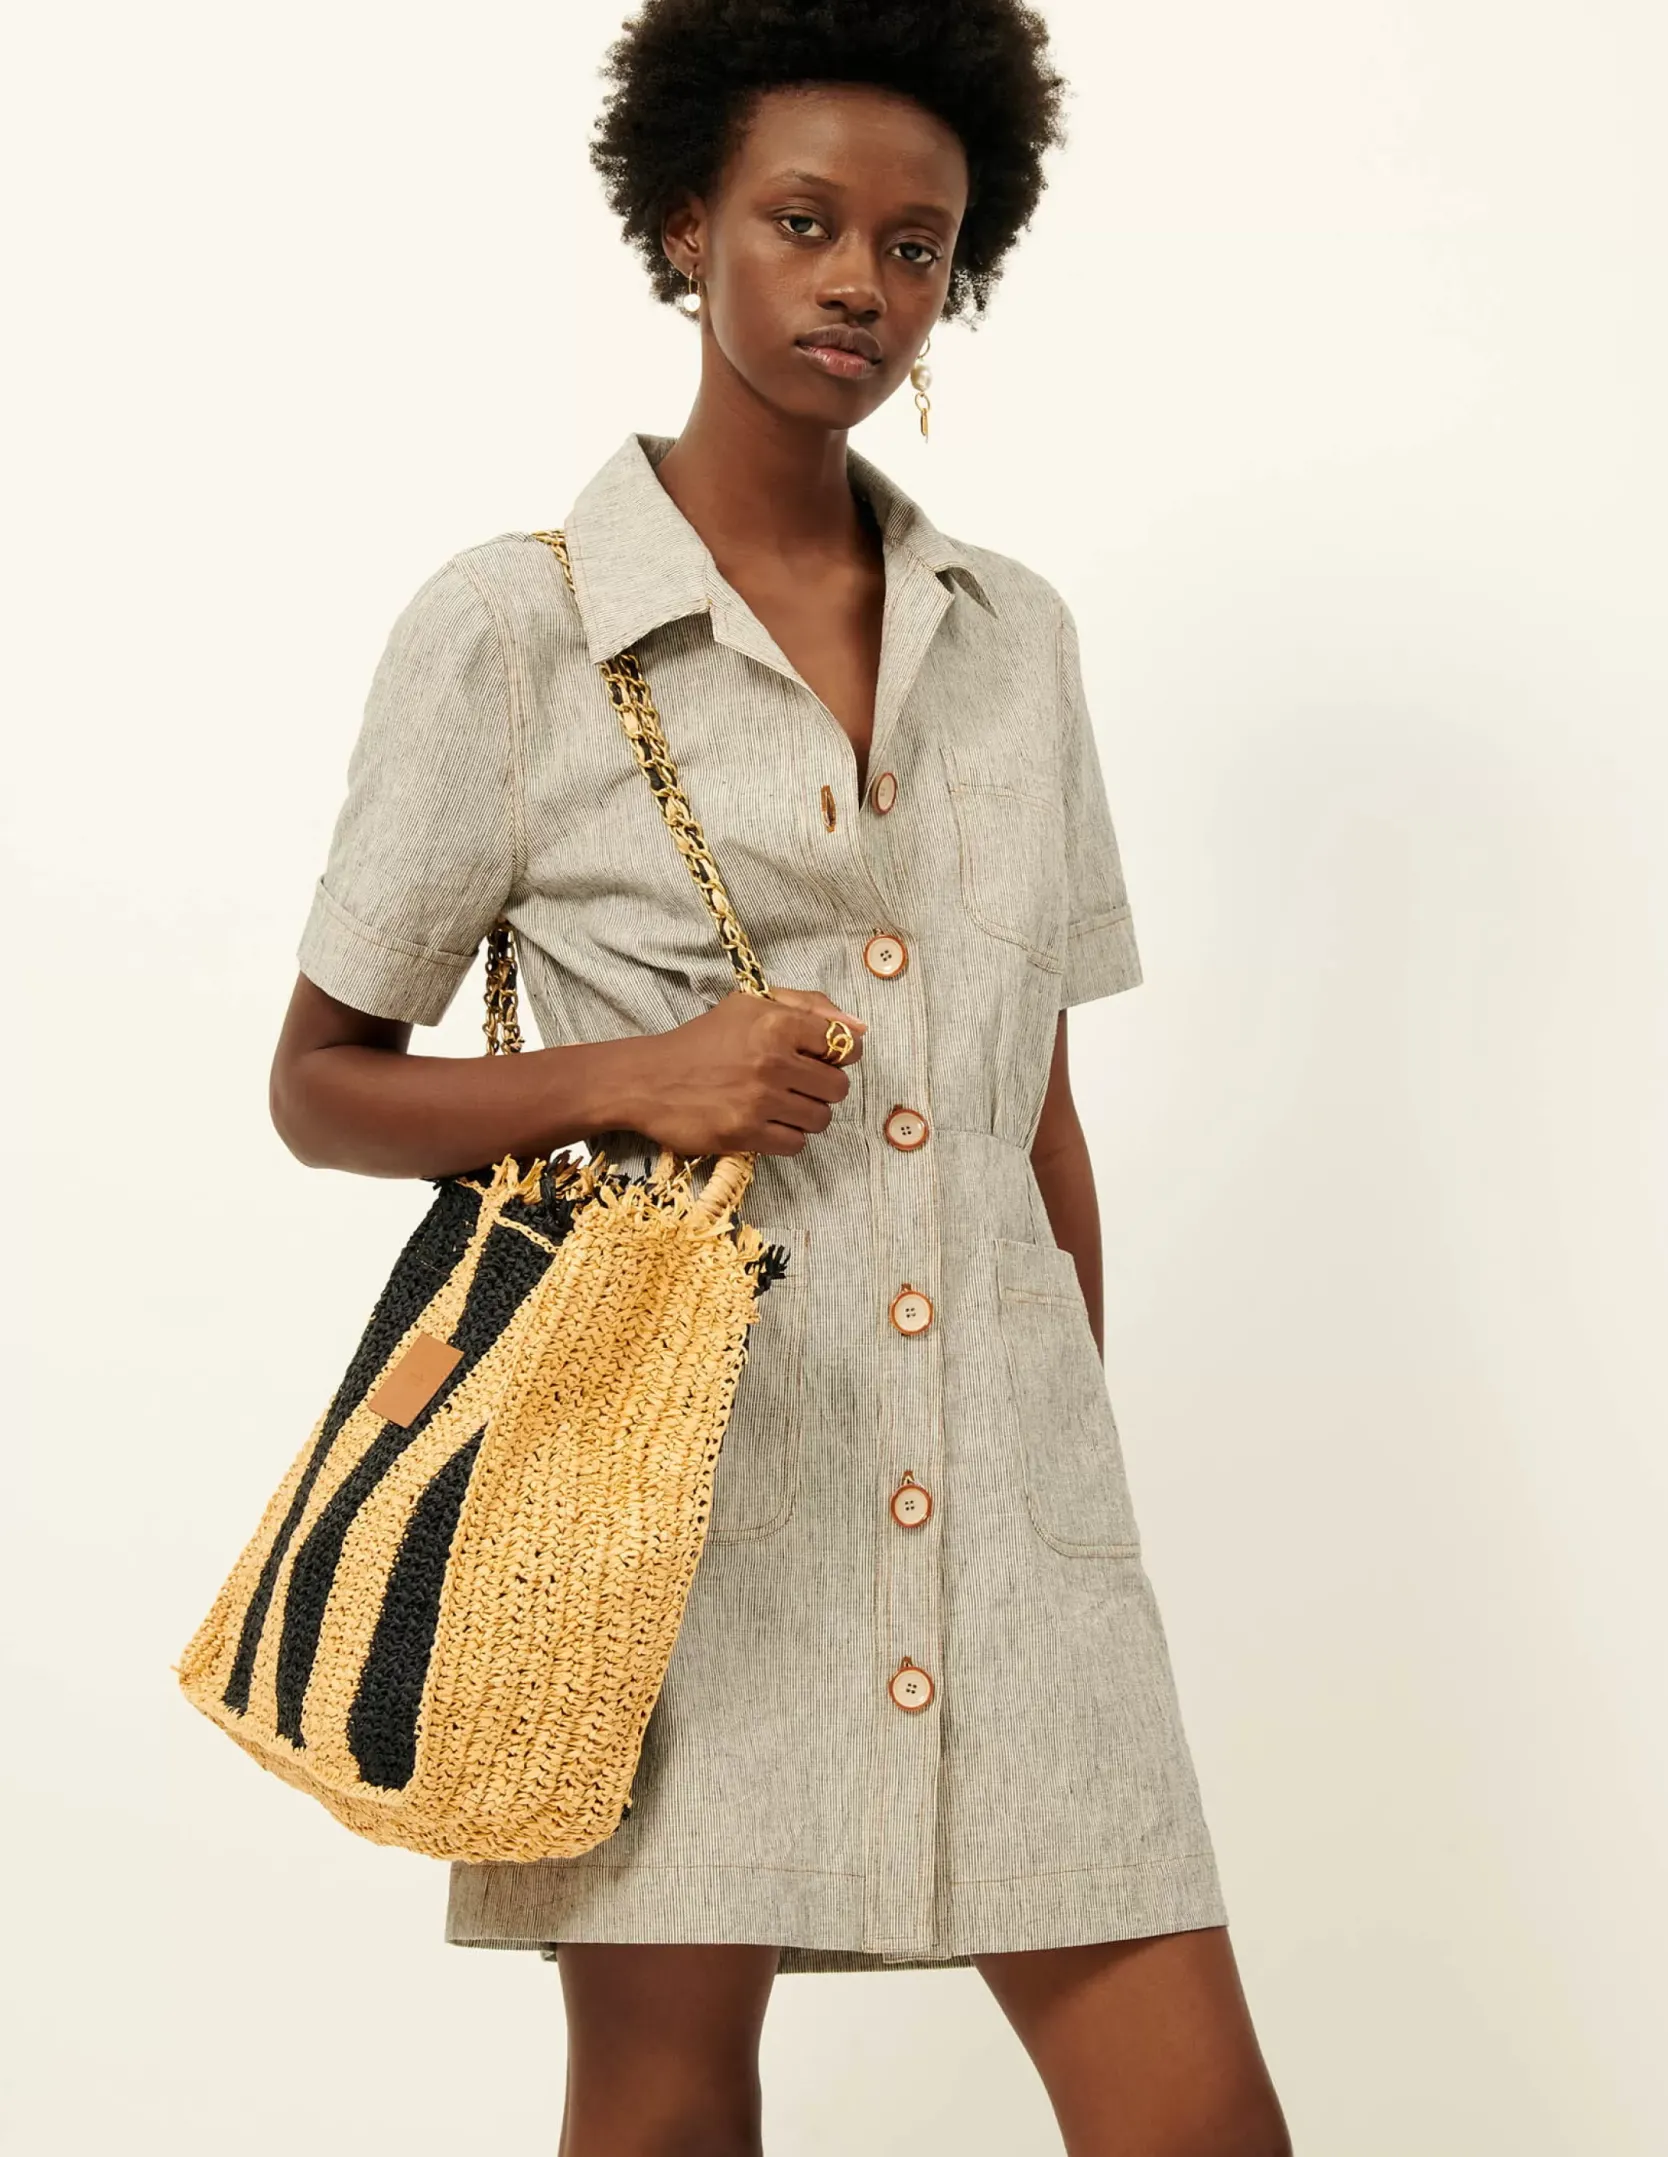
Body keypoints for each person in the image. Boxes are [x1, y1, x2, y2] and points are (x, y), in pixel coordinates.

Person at [269, 2, 1292, 2150]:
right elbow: (322, 1086)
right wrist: (644, 1075)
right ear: (684, 227)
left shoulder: (1016, 642)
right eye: (803, 223)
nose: (861, 284)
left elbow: (1035, 1118)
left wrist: (1071, 1495)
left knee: (1195, 2112)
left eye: (916, 247)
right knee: (663, 2107)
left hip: (1009, 1514)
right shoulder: (516, 633)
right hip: (663, 1502)